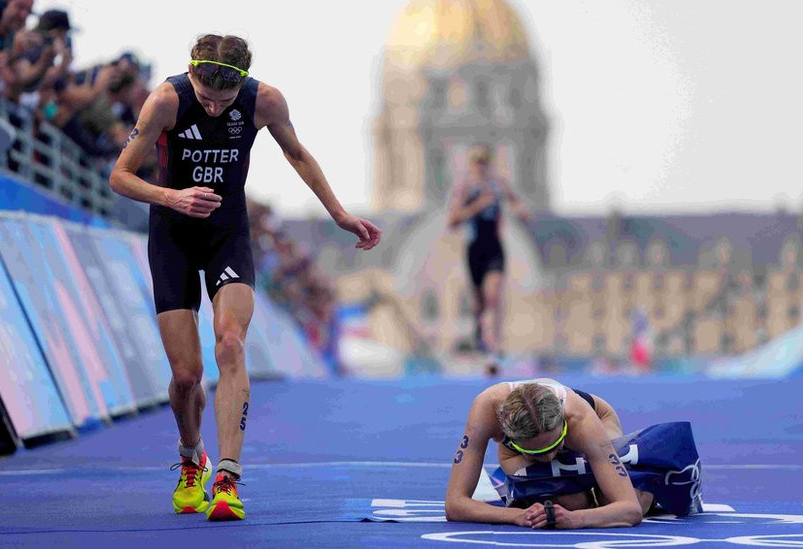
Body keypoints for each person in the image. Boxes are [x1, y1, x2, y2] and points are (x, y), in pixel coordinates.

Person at [109, 34, 381, 521]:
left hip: (227, 234)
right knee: (186, 376)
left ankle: (228, 479)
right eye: (206, 99)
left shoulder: (265, 100)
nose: (213, 111)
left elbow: (297, 154)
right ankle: (191, 457)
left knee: (230, 342)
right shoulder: (166, 100)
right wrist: (172, 197)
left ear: (242, 85)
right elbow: (120, 176)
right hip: (172, 234)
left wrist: (338, 213)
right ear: (192, 78)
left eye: (224, 101)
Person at [445, 378, 652, 528]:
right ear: (510, 437)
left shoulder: (581, 422)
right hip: (516, 455)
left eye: (555, 446)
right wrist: (515, 516)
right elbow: (455, 505)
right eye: (537, 453)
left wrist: (576, 519)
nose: (549, 457)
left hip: (596, 422)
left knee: (628, 500)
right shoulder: (486, 410)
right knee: (569, 502)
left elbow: (630, 509)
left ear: (563, 426)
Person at [446, 146, 529, 374]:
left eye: (485, 162)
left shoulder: (498, 186)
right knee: (479, 304)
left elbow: (517, 205)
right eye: (477, 162)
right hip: (475, 249)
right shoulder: (465, 189)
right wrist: (476, 206)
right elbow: (452, 220)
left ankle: (497, 343)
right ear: (471, 166)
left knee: (494, 296)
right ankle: (481, 336)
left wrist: (520, 211)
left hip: (494, 248)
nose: (481, 167)